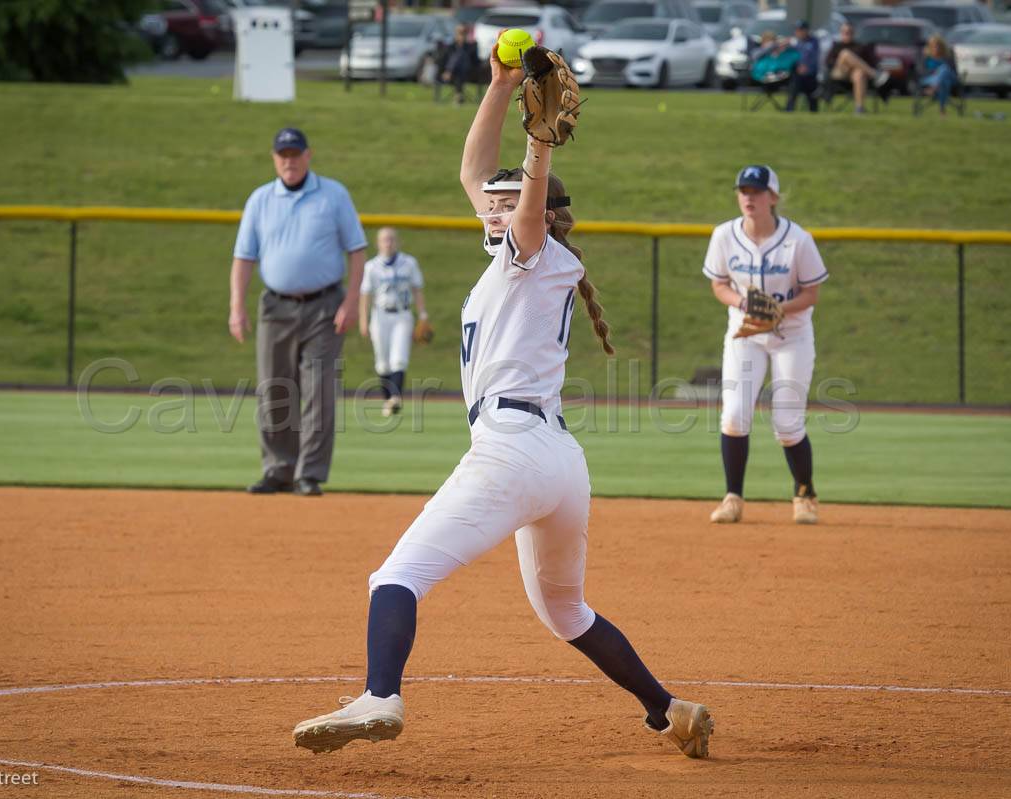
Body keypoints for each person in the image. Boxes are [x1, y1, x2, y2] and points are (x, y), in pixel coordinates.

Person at [291, 43, 714, 759]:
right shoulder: (520, 258)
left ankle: (380, 695)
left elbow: (529, 190)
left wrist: (537, 142)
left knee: (396, 575)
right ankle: (668, 708)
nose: (493, 199)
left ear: (536, 211)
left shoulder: (532, 250)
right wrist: (499, 85)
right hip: (557, 460)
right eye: (495, 196)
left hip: (512, 449)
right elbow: (469, 170)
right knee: (566, 611)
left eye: (509, 195)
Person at [229, 127, 367, 498]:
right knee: (274, 389)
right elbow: (244, 257)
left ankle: (310, 473)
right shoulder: (260, 199)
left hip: (324, 305)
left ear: (308, 155)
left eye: (295, 154)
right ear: (275, 158)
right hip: (275, 305)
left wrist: (351, 301)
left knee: (318, 390)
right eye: (282, 155)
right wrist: (236, 307)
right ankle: (278, 469)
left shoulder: (333, 195)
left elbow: (357, 250)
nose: (289, 161)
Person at [702, 165, 829, 525]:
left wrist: (778, 310)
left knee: (787, 422)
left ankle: (805, 494)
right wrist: (743, 303)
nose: (748, 197)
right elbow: (719, 285)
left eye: (756, 191)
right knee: (734, 415)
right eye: (743, 190)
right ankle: (733, 498)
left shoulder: (798, 240)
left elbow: (812, 293)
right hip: (746, 335)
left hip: (792, 336)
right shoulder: (725, 235)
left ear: (772, 197)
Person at [358, 227, 428, 416]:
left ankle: (395, 397)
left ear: (397, 242)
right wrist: (363, 320)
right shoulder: (371, 266)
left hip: (402, 315)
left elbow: (417, 289)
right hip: (380, 316)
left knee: (399, 358)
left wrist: (423, 315)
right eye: (384, 240)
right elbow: (365, 294)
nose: (388, 243)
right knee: (382, 362)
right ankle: (388, 399)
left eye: (391, 239)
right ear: (378, 243)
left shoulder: (409, 263)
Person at [825, 22, 890, 114]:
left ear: (853, 33)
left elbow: (872, 61)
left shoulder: (860, 46)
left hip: (853, 75)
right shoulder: (836, 46)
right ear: (841, 33)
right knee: (845, 53)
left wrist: (853, 65)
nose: (847, 34)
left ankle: (859, 109)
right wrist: (844, 64)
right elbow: (828, 62)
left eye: (850, 32)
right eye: (845, 32)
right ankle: (875, 75)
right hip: (839, 73)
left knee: (859, 74)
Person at [785, 20, 820, 113]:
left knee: (810, 86)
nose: (798, 32)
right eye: (797, 30)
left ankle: (813, 111)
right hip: (796, 74)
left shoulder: (813, 42)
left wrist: (806, 67)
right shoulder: (793, 42)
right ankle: (789, 109)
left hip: (810, 74)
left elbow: (813, 57)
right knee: (795, 82)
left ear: (806, 30)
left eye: (801, 30)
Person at [440, 24, 480, 105]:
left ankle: (458, 95)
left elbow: (476, 62)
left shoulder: (471, 46)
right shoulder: (450, 47)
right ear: (456, 33)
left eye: (464, 32)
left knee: (461, 57)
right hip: (453, 74)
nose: (462, 35)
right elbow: (442, 61)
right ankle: (458, 95)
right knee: (458, 60)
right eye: (460, 32)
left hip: (468, 72)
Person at [920, 35, 957, 114]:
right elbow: (923, 71)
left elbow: (953, 70)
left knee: (944, 69)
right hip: (931, 78)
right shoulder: (927, 57)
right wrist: (934, 72)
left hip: (948, 77)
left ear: (942, 47)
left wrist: (940, 72)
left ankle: (934, 88)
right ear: (930, 47)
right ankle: (942, 109)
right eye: (934, 46)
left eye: (938, 46)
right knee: (944, 82)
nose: (936, 48)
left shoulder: (947, 56)